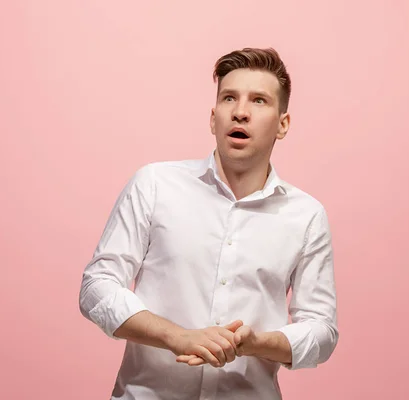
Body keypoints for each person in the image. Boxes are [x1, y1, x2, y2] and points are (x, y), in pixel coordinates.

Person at [79, 47, 339, 400]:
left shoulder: (306, 215)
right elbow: (97, 285)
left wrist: (257, 343)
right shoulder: (154, 184)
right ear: (213, 117)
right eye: (229, 98)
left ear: (283, 124)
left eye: (259, 101)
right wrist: (176, 336)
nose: (241, 112)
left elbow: (321, 330)